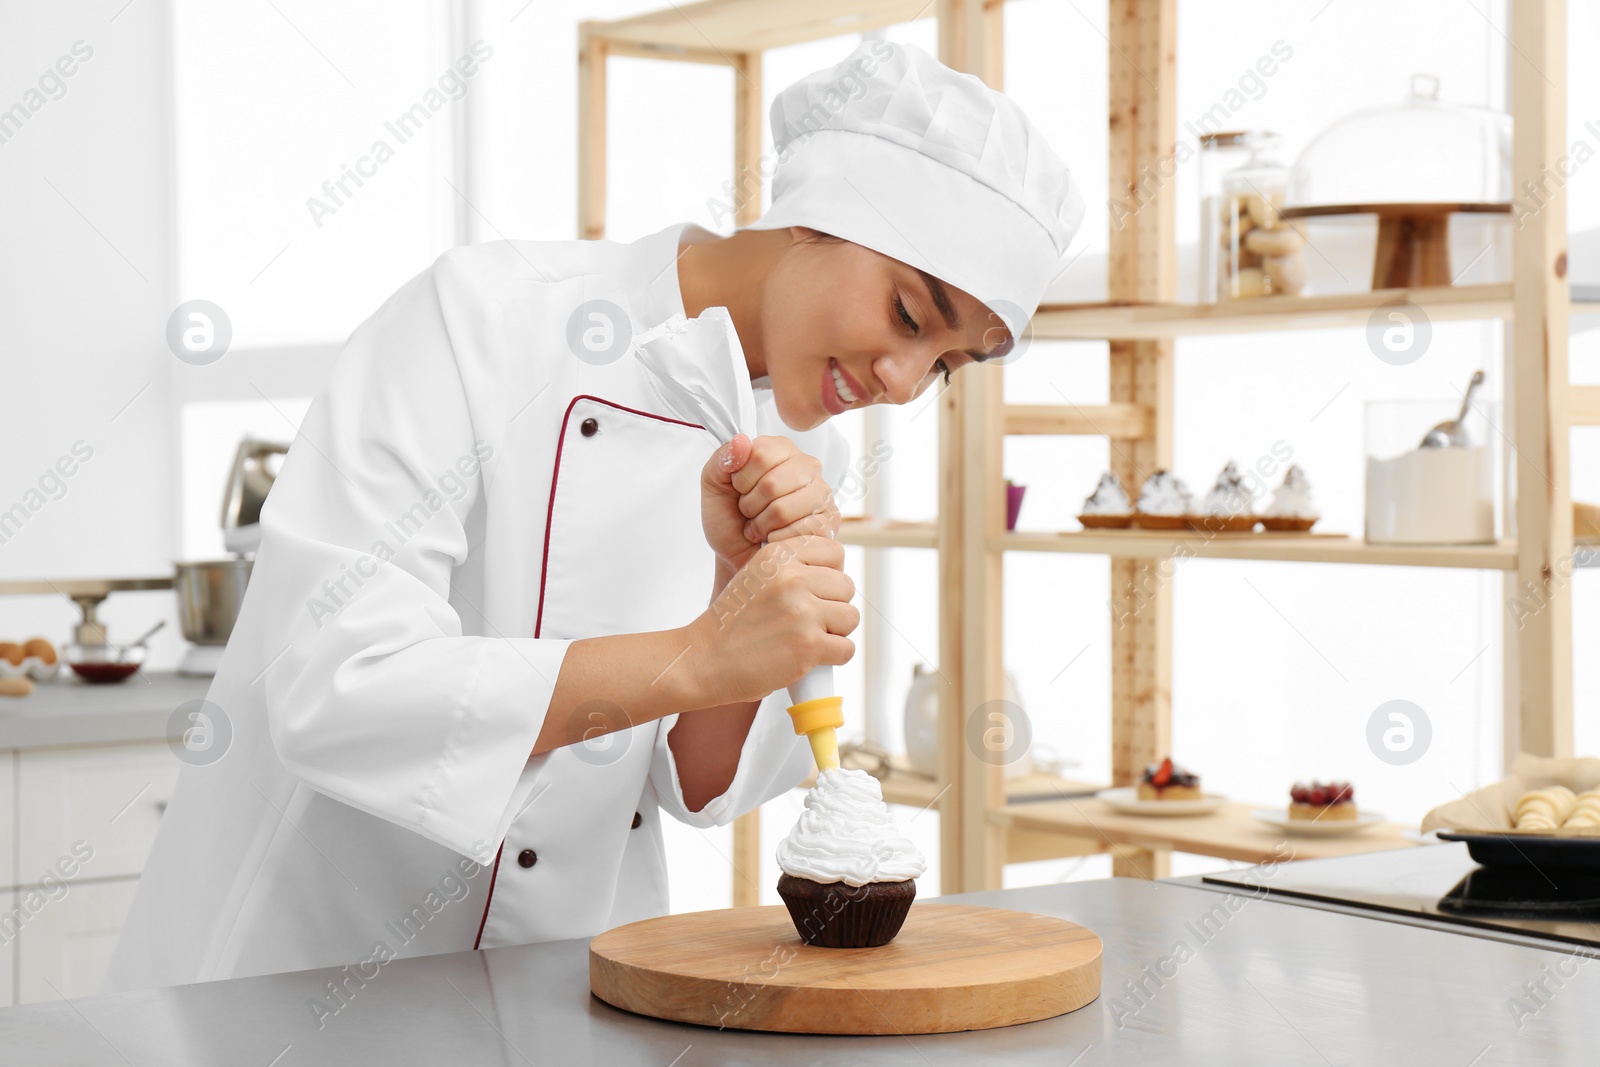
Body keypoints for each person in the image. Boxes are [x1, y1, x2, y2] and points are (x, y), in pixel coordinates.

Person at [104, 39, 1082, 992]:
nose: (904, 381)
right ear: (813, 211)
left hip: (558, 978)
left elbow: (694, 785)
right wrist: (699, 652)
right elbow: (334, 682)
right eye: (910, 315)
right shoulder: (484, 319)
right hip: (300, 969)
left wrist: (741, 619)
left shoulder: (801, 442)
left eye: (946, 365)